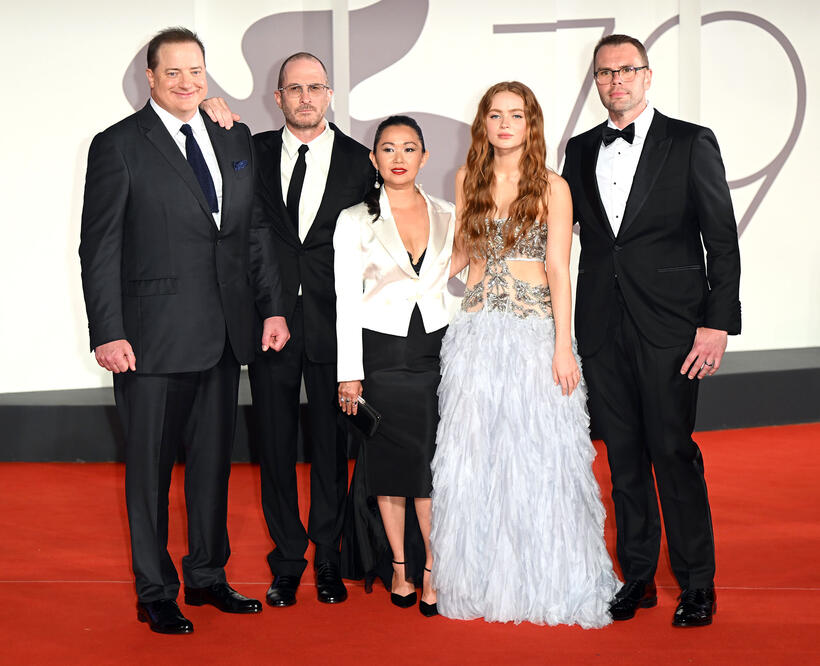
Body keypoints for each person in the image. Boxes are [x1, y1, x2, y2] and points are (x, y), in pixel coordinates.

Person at [79, 27, 289, 634]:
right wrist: (107, 332)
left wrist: (272, 308)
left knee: (212, 467)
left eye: (196, 71)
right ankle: (155, 590)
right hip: (148, 341)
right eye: (173, 73)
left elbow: (250, 234)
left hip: (223, 333)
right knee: (147, 472)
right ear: (150, 77)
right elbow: (100, 248)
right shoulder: (117, 145)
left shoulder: (232, 135)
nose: (187, 83)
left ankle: (205, 576)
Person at [561, 34, 741, 627]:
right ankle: (637, 576)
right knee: (625, 458)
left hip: (671, 328)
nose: (617, 82)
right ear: (596, 81)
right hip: (602, 327)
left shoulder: (690, 141)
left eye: (627, 70)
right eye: (606, 73)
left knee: (672, 451)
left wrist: (716, 324)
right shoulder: (581, 149)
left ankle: (697, 585)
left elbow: (721, 238)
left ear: (647, 74)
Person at [431, 81, 618, 627]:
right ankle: (484, 580)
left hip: (536, 332)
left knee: (538, 454)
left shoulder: (554, 187)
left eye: (516, 115)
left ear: (531, 123)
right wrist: (414, 285)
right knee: (479, 455)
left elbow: (560, 268)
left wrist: (564, 346)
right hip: (476, 330)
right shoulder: (468, 178)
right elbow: (464, 254)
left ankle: (550, 578)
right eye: (495, 115)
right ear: (483, 123)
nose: (505, 124)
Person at [202, 53, 372, 606]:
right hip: (268, 319)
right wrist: (209, 110)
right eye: (294, 88)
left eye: (315, 87)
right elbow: (201, 155)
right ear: (277, 97)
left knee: (330, 446)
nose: (305, 97)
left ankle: (327, 556)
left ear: (330, 95)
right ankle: (287, 559)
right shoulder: (250, 151)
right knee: (273, 445)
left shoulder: (360, 161)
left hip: (334, 320)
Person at [335, 116, 457, 617]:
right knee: (388, 468)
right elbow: (345, 299)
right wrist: (349, 372)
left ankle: (433, 569)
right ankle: (401, 570)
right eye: (388, 148)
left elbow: (467, 272)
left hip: (434, 351)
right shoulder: (354, 219)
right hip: (380, 355)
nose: (399, 157)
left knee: (429, 467)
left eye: (409, 148)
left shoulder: (449, 213)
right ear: (374, 158)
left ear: (424, 157)